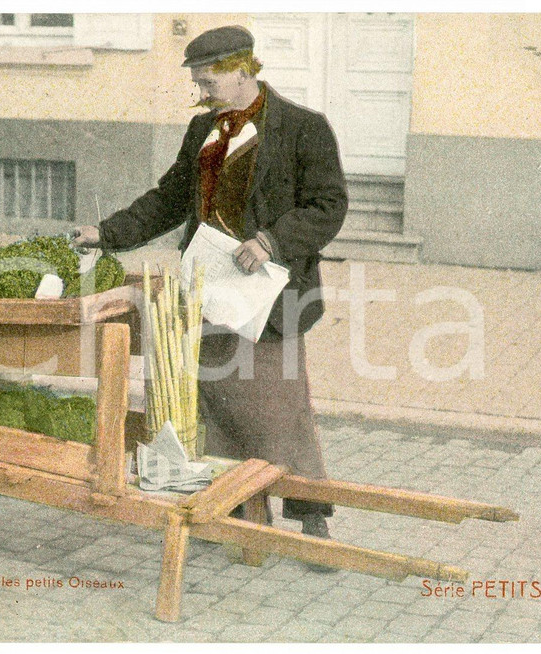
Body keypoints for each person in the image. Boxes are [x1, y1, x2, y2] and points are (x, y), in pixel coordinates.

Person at [74, 25, 347, 559]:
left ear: (244, 69)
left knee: (279, 410)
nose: (200, 90)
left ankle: (313, 522)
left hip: (269, 298)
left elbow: (328, 205)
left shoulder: (303, 128)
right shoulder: (203, 130)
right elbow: (169, 200)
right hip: (209, 289)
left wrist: (271, 241)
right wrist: (107, 234)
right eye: (196, 81)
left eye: (208, 79)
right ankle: (237, 513)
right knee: (215, 403)